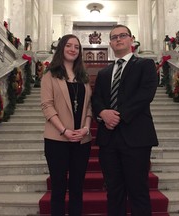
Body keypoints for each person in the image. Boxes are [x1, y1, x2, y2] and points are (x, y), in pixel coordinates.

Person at [91, 24, 159, 216]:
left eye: (122, 35)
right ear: (110, 43)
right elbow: (96, 99)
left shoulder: (145, 65)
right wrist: (103, 113)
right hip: (108, 140)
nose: (118, 39)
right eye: (114, 37)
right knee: (114, 191)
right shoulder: (104, 73)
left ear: (131, 40)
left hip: (136, 137)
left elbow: (145, 94)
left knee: (138, 191)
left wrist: (117, 115)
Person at [40, 34, 92, 216]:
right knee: (59, 188)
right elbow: (47, 106)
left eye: (76, 47)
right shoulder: (50, 76)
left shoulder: (83, 78)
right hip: (57, 141)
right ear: (61, 48)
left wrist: (85, 129)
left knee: (77, 189)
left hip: (82, 141)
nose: (72, 49)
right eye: (69, 45)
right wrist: (64, 131)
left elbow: (88, 107)